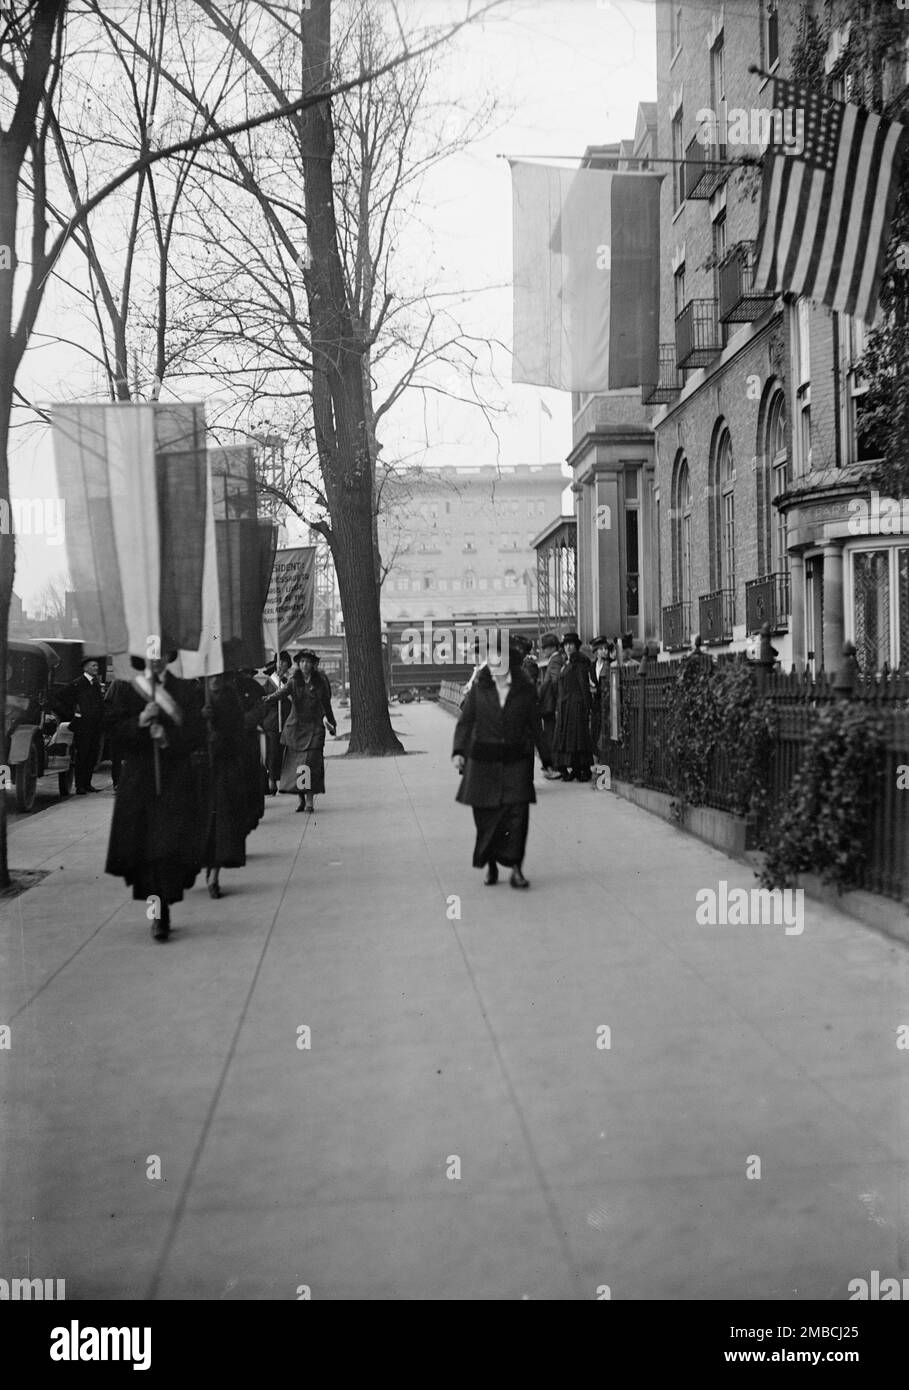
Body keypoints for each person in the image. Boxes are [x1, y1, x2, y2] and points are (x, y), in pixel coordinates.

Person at [104, 656, 206, 941]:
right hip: (140, 782)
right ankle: (157, 916)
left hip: (174, 781)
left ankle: (164, 911)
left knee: (168, 849)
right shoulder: (128, 689)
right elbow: (113, 731)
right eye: (151, 654)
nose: (156, 660)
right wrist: (139, 721)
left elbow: (198, 732)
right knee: (147, 854)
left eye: (162, 653)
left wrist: (168, 738)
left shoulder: (184, 689)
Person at [451, 641, 545, 889]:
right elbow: (465, 722)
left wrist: (548, 756)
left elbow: (535, 725)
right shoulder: (479, 690)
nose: (494, 665)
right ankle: (491, 863)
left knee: (517, 816)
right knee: (487, 817)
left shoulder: (524, 690)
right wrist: (459, 751)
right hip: (483, 763)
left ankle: (516, 869)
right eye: (490, 661)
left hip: (516, 761)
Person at [263, 649, 337, 812]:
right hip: (296, 728)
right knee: (297, 765)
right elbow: (281, 693)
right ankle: (301, 799)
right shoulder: (294, 681)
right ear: (298, 664)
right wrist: (269, 698)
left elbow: (326, 703)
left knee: (311, 763)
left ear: (313, 664)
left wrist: (332, 723)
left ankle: (310, 800)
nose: (305, 665)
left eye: (308, 662)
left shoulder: (320, 682)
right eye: (302, 662)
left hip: (314, 727)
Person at [200, 674, 249, 899]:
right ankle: (205, 866)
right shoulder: (195, 693)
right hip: (197, 770)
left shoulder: (230, 695)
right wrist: (200, 720)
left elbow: (239, 729)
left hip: (223, 766)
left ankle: (214, 875)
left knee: (221, 822)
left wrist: (220, 732)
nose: (215, 679)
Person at [553, 631, 593, 782]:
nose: (568, 647)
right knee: (570, 738)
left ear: (576, 646)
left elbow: (583, 685)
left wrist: (586, 706)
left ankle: (583, 769)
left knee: (579, 737)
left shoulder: (579, 662)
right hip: (566, 704)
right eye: (566, 644)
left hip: (576, 704)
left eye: (571, 644)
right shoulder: (567, 662)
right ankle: (575, 768)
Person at [71, 656, 105, 794]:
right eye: (93, 666)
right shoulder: (78, 683)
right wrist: (74, 714)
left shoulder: (96, 684)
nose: (96, 668)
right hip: (83, 726)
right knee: (82, 756)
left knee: (92, 755)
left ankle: (87, 783)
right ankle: (80, 785)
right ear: (85, 668)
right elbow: (62, 698)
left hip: (95, 726)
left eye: (97, 666)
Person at [261, 651, 292, 795]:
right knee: (272, 753)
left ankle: (285, 781)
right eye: (279, 662)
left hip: (287, 722)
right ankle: (271, 781)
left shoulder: (289, 682)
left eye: (284, 662)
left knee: (285, 753)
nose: (281, 665)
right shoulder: (269, 682)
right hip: (273, 723)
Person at [537, 633, 564, 781]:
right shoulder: (555, 660)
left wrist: (542, 693)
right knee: (551, 735)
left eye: (545, 648)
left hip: (551, 705)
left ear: (552, 647)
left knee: (550, 736)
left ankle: (553, 767)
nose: (543, 651)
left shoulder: (554, 661)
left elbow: (553, 683)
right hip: (552, 704)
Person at [590, 636, 614, 764]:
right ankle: (596, 757)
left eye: (605, 648)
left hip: (606, 702)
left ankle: (604, 759)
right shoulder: (592, 666)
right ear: (596, 651)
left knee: (604, 731)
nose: (604, 651)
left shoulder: (610, 664)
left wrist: (596, 690)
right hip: (595, 705)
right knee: (595, 730)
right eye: (601, 649)